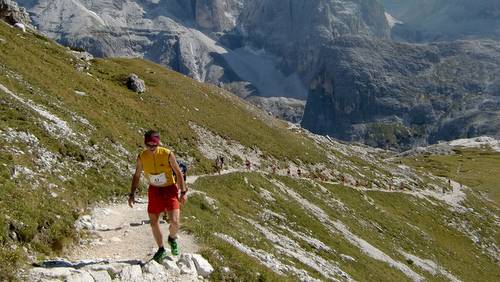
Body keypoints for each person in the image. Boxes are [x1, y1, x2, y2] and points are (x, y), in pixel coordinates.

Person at [128, 130, 187, 262]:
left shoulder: (167, 154)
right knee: (154, 222)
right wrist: (132, 193)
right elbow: (137, 175)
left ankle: (172, 238)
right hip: (154, 190)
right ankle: (161, 249)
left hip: (170, 189)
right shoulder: (142, 156)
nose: (151, 148)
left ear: (158, 143)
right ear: (145, 144)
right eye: (148, 145)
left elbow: (178, 173)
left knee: (175, 221)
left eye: (154, 145)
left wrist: (182, 192)